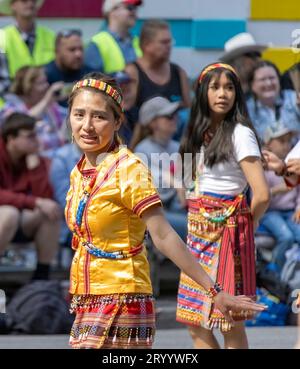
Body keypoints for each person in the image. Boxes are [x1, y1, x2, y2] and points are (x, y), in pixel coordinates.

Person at [65, 72, 266, 349]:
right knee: (195, 324)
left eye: (98, 116)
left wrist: (214, 290)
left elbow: (163, 236)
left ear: (117, 122)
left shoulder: (128, 169)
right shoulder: (80, 172)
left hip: (123, 297)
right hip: (87, 297)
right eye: (79, 114)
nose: (87, 125)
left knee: (227, 325)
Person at [176, 63, 270, 349]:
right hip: (197, 233)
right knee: (194, 321)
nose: (223, 94)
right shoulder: (195, 132)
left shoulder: (241, 133)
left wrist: (244, 229)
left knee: (229, 322)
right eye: (215, 87)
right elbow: (188, 184)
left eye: (229, 88)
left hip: (227, 233)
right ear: (203, 92)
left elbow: (262, 194)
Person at [0, 112, 61, 280]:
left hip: (17, 220)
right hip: (6, 217)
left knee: (51, 212)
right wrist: (35, 201)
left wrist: (34, 169)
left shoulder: (33, 158)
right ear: (11, 138)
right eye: (30, 136)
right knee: (9, 213)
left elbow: (44, 198)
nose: (37, 140)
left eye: (37, 134)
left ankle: (41, 278)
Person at [134, 96, 187, 241]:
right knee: (194, 226)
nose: (175, 118)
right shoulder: (141, 149)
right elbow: (153, 182)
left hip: (180, 208)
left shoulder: (177, 147)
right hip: (157, 214)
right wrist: (176, 184)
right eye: (169, 116)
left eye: (175, 115)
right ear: (153, 123)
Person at [259, 122, 300, 273]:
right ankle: (277, 272)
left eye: (288, 141)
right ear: (269, 144)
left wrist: (299, 207)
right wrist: (277, 190)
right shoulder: (262, 165)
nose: (286, 145)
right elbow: (259, 196)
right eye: (281, 141)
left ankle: (292, 275)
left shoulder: (293, 161)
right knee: (286, 236)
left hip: (290, 211)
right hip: (270, 212)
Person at [1, 66, 67, 157]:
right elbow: (21, 123)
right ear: (27, 87)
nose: (47, 85)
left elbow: (68, 119)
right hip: (31, 160)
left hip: (58, 156)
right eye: (41, 83)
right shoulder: (10, 108)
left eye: (46, 81)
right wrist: (46, 101)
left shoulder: (50, 106)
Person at [125, 19, 191, 110]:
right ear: (146, 45)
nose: (169, 46)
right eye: (164, 42)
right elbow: (125, 113)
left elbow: (189, 111)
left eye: (170, 41)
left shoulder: (178, 73)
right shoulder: (132, 72)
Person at [0, 0, 55, 95]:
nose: (30, 3)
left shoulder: (51, 37)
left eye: (33, 0)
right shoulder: (2, 38)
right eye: (24, 0)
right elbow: (2, 84)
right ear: (12, 5)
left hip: (47, 106)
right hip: (10, 107)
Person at [247, 60, 300, 142]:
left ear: (279, 80)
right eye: (262, 79)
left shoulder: (294, 98)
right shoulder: (246, 110)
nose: (268, 83)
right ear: (252, 85)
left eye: (272, 78)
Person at [84, 0, 143, 74]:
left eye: (136, 9)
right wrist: (123, 76)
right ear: (112, 11)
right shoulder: (97, 43)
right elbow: (93, 81)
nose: (134, 13)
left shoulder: (138, 41)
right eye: (130, 8)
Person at [44, 29, 93, 108]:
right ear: (57, 51)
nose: (78, 54)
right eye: (72, 50)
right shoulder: (44, 77)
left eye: (81, 49)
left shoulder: (91, 76)